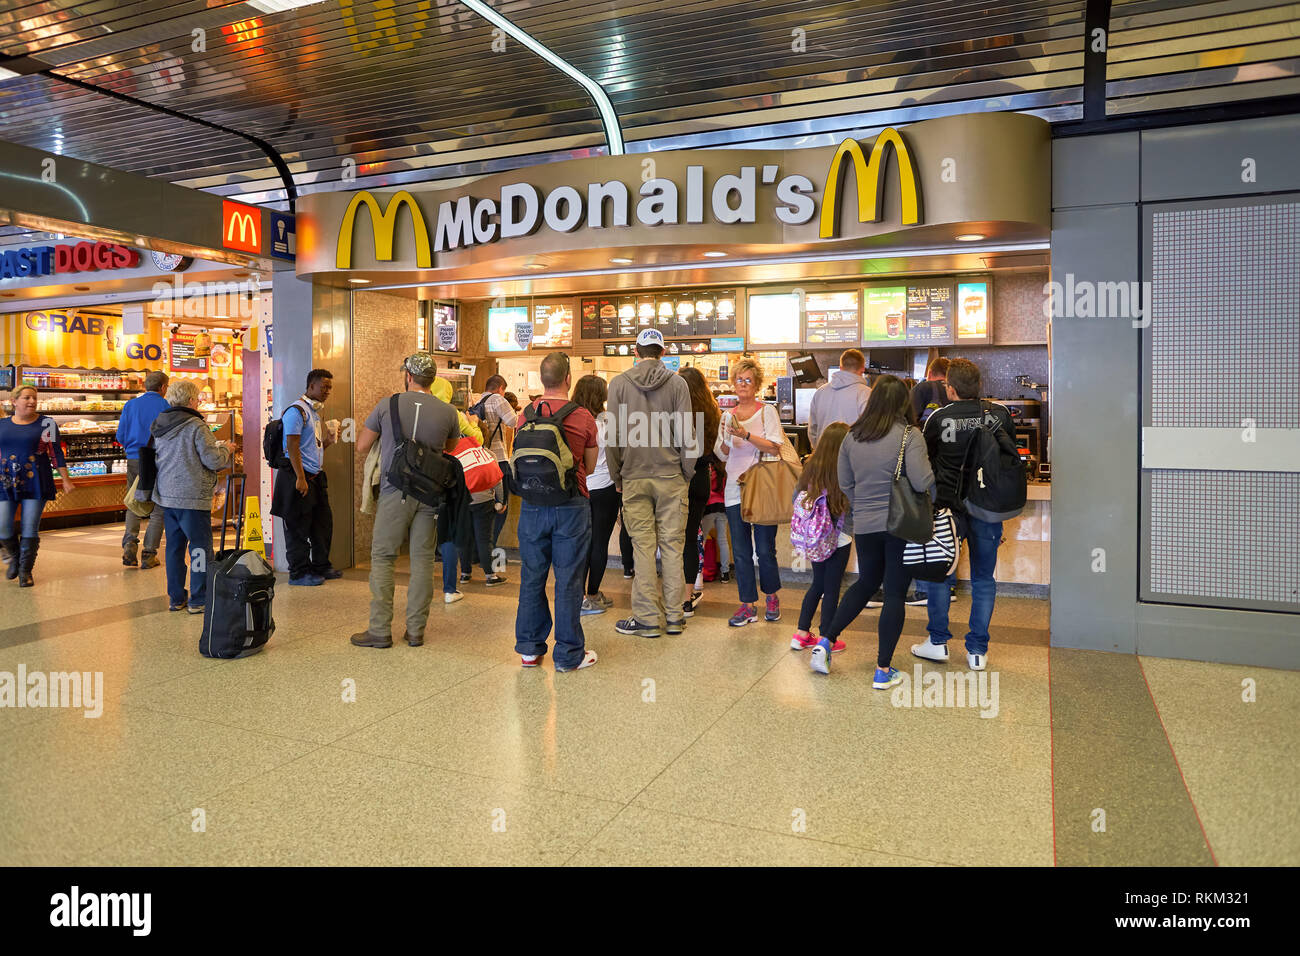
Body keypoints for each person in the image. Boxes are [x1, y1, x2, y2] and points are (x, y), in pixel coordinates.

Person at [811, 375, 934, 686]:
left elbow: (845, 484)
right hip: (899, 524)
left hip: (865, 524)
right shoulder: (910, 435)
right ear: (903, 403)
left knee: (866, 582)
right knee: (894, 592)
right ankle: (882, 670)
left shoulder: (852, 437)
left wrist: (864, 506)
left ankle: (825, 642)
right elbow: (921, 482)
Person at [351, 352, 462, 649]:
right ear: (433, 379)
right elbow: (449, 449)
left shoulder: (388, 404)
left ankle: (379, 630)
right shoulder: (448, 412)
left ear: (408, 376)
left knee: (384, 557)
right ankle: (415, 631)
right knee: (423, 560)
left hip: (394, 491)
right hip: (429, 495)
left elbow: (362, 445)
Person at [912, 358, 1014, 671]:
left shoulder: (938, 417)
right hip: (987, 508)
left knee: (941, 574)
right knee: (984, 579)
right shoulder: (999, 414)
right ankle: (977, 652)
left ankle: (938, 642)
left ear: (950, 388)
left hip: (947, 508)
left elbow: (924, 460)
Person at [606, 328, 695, 639]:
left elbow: (613, 438)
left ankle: (646, 620)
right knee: (672, 547)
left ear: (635, 351)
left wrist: (618, 475)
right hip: (671, 478)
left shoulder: (617, 384)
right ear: (663, 352)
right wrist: (686, 472)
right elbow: (688, 435)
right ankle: (674, 617)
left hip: (633, 477)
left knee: (643, 547)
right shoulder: (678, 383)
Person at [514, 352, 599, 671]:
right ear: (568, 379)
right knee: (568, 580)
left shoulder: (526, 413)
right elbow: (590, 467)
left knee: (531, 577)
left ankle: (529, 650)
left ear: (540, 379)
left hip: (532, 506)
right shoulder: (582, 416)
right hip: (571, 506)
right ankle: (568, 655)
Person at [149, 379, 235, 612]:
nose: (199, 402)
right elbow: (213, 460)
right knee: (199, 548)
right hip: (192, 497)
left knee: (174, 549)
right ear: (189, 401)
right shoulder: (196, 426)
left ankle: (176, 598)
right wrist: (227, 448)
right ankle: (199, 598)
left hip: (167, 496)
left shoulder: (160, 424)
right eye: (197, 398)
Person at [714, 357, 786, 627]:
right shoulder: (726, 415)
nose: (743, 384)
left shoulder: (766, 412)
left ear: (756, 384)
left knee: (765, 549)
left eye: (748, 380)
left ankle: (772, 597)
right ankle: (747, 604)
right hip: (735, 487)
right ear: (733, 383)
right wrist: (724, 438)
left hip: (762, 488)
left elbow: (775, 447)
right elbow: (721, 455)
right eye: (739, 380)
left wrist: (745, 435)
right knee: (741, 551)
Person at [271, 369, 341, 587]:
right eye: (324, 387)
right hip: (297, 478)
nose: (328, 391)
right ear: (311, 386)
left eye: (330, 387)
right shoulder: (297, 411)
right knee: (298, 527)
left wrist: (328, 441)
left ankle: (320, 565)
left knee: (322, 523)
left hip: (315, 477)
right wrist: (300, 478)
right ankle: (298, 572)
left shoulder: (314, 413)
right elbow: (291, 445)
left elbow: (310, 447)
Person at [1, 386, 75, 587]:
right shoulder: (2, 424)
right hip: (6, 483)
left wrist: (65, 479)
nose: (32, 401)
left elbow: (55, 453)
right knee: (3, 527)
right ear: (14, 401)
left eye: (34, 398)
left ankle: (25, 572)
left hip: (37, 481)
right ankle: (15, 560)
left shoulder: (47, 424)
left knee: (29, 527)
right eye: (26, 398)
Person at [789, 421, 853, 654]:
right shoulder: (846, 470)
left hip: (816, 537)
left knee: (817, 583)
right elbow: (852, 504)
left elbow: (796, 498)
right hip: (841, 536)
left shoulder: (811, 467)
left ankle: (801, 633)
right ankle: (828, 638)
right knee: (832, 587)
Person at [572, 374, 617, 616]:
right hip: (605, 487)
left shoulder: (573, 419)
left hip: (580, 487)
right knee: (599, 543)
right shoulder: (607, 421)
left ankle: (578, 596)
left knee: (580, 543)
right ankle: (591, 594)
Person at [678, 366, 720, 619]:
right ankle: (686, 599)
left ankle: (672, 596)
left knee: (672, 538)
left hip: (677, 478)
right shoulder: (712, 412)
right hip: (701, 478)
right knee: (690, 538)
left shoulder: (673, 411)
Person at [116, 370, 169, 569]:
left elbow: (120, 435)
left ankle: (130, 542)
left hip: (134, 458)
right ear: (163, 387)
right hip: (158, 460)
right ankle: (149, 553)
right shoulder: (165, 406)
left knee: (134, 500)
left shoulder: (130, 405)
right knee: (158, 506)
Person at [474, 375, 519, 556]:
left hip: (479, 460)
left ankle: (479, 550)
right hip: (498, 459)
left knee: (483, 507)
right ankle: (490, 551)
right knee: (501, 507)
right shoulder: (498, 399)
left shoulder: (476, 399)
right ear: (501, 388)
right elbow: (513, 422)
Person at [807, 348, 871, 448]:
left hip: (824, 456)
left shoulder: (820, 392)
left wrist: (819, 450)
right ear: (863, 368)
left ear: (840, 367)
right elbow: (870, 429)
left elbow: (812, 429)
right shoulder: (866, 393)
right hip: (853, 457)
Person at [700, 460, 731, 582]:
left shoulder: (708, 470)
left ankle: (699, 572)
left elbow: (705, 490)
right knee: (723, 541)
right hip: (723, 507)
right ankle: (725, 573)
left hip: (709, 507)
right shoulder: (723, 472)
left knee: (702, 540)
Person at [910, 357, 951, 426]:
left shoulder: (921, 388)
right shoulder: (954, 390)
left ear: (929, 373)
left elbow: (910, 418)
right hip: (951, 435)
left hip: (925, 434)